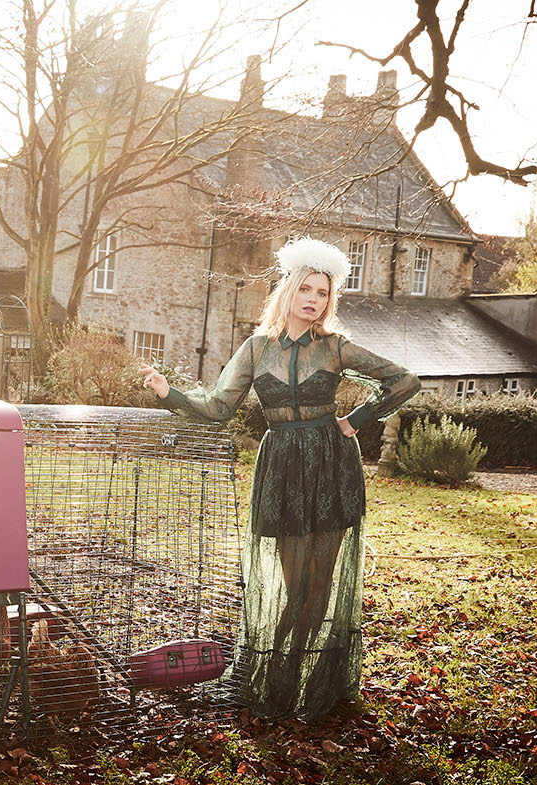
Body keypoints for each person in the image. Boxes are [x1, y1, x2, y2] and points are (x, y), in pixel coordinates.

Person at [139, 237, 420, 720]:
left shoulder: (335, 347)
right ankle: (278, 670)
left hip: (331, 468)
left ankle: (298, 674)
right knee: (296, 583)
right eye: (306, 289)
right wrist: (170, 394)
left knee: (319, 583)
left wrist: (355, 421)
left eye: (323, 293)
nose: (313, 299)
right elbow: (219, 407)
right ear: (288, 290)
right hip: (283, 471)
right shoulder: (255, 348)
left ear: (330, 301)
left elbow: (403, 380)